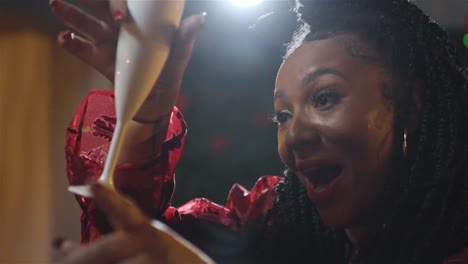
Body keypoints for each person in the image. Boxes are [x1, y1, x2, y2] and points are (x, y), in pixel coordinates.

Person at [50, 0, 468, 263]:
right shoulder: (272, 218)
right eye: (282, 117)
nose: (295, 136)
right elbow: (139, 232)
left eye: (324, 98)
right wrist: (144, 114)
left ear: (409, 106)